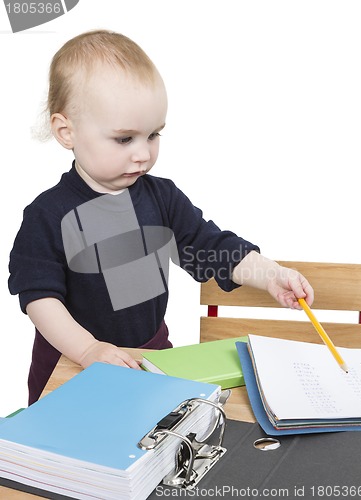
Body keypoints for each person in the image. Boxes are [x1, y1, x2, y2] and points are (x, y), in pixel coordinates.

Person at [8, 30, 314, 405]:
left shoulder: (162, 198)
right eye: (124, 139)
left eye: (153, 135)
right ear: (66, 131)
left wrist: (272, 274)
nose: (143, 154)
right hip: (73, 364)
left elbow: (210, 248)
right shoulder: (48, 214)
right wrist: (89, 350)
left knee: (154, 444)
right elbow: (39, 298)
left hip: (151, 358)